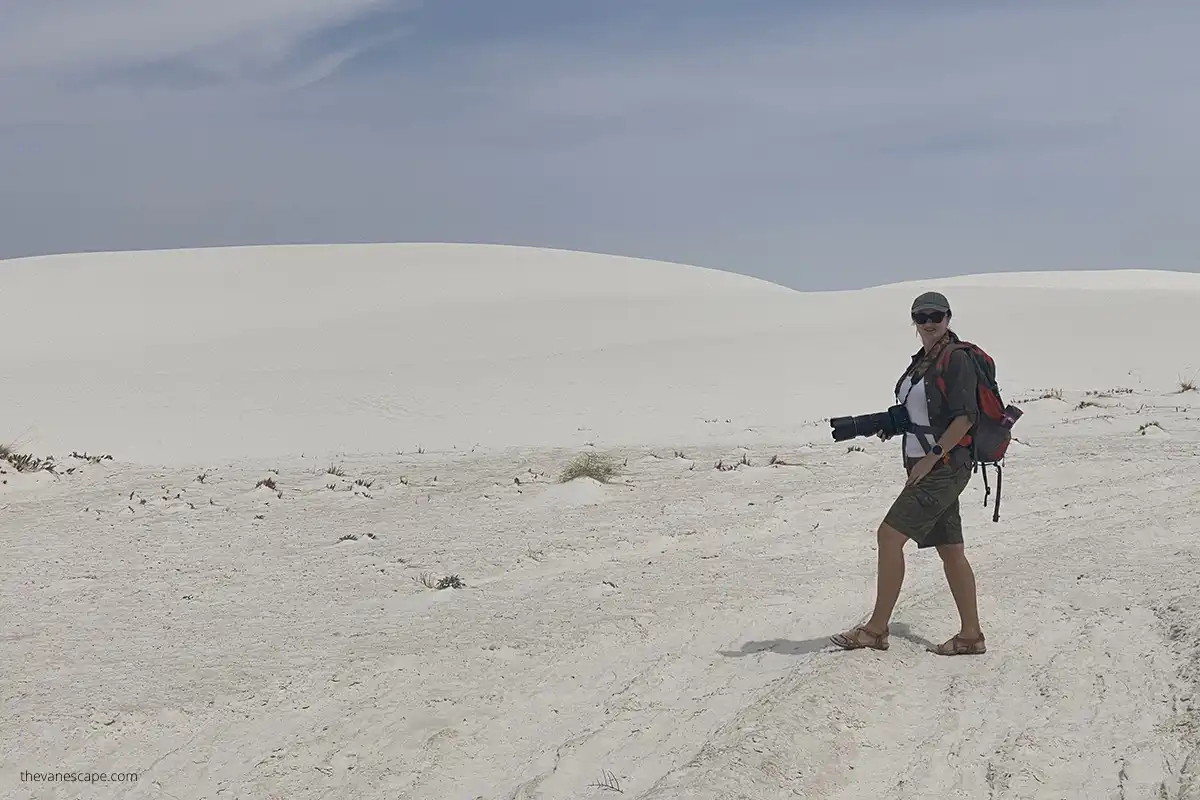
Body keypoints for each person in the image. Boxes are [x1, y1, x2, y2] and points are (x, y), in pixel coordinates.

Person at [830, 291, 986, 656]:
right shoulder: (922, 362)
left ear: (949, 317)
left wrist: (930, 459)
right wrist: (891, 425)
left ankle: (876, 629)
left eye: (937, 315)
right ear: (914, 321)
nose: (930, 322)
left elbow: (965, 417)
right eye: (921, 316)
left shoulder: (956, 359)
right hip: (927, 464)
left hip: (943, 466)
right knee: (950, 550)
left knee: (888, 536)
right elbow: (924, 413)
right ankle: (971, 636)